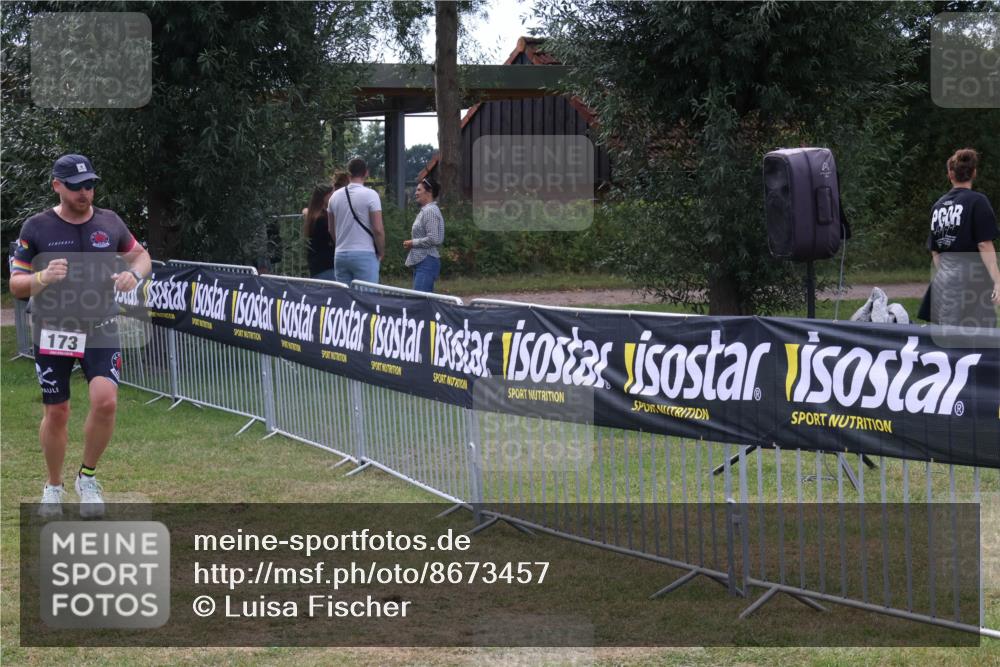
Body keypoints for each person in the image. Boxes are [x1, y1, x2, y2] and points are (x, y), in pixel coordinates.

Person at [9, 154, 152, 518]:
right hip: (54, 329)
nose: (84, 193)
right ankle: (53, 486)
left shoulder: (110, 221)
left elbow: (141, 256)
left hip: (100, 327)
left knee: (106, 402)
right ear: (57, 186)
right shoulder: (36, 227)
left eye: (89, 185)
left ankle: (87, 478)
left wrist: (134, 275)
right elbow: (17, 285)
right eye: (75, 187)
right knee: (57, 412)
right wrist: (43, 277)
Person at [925, 148, 1000, 328]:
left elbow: (935, 251)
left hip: (945, 277)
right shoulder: (978, 201)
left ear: (950, 175)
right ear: (974, 173)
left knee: (948, 332)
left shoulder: (938, 206)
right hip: (973, 278)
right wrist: (997, 281)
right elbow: (984, 244)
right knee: (977, 334)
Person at [327, 157, 384, 284]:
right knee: (366, 295)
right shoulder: (371, 195)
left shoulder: (334, 197)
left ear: (348, 174)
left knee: (344, 296)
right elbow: (378, 229)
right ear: (366, 173)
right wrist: (381, 251)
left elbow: (331, 229)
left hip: (340, 255)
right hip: (365, 253)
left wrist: (341, 244)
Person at [300, 172, 348, 280]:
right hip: (327, 265)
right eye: (332, 194)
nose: (335, 197)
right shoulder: (322, 219)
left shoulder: (313, 215)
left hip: (317, 266)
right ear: (324, 197)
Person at [403, 178, 445, 292]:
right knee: (423, 300)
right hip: (423, 261)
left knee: (419, 300)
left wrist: (413, 243)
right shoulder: (426, 210)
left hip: (426, 262)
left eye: (419, 190)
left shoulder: (430, 211)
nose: (416, 193)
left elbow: (434, 239)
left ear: (429, 191)